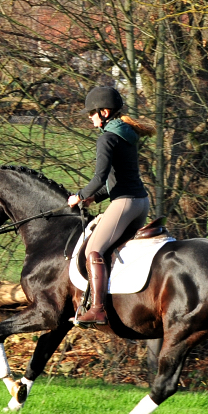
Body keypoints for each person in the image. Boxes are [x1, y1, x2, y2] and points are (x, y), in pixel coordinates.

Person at [67, 86, 155, 326]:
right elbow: (116, 180)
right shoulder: (127, 134)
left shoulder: (107, 138)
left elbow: (99, 178)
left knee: (92, 251)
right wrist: (94, 198)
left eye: (92, 112)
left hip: (125, 203)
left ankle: (97, 309)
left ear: (104, 112)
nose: (89, 117)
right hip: (141, 203)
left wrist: (78, 196)